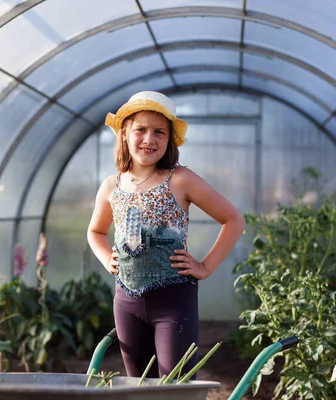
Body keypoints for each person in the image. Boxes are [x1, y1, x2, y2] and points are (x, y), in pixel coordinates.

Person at [86, 90, 245, 379]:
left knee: (176, 384)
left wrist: (205, 267)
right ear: (124, 133)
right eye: (141, 130)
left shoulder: (180, 179)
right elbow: (95, 231)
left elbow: (233, 220)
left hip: (173, 302)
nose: (149, 139)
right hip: (126, 301)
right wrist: (105, 257)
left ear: (169, 139)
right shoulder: (112, 185)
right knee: (139, 387)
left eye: (159, 132)